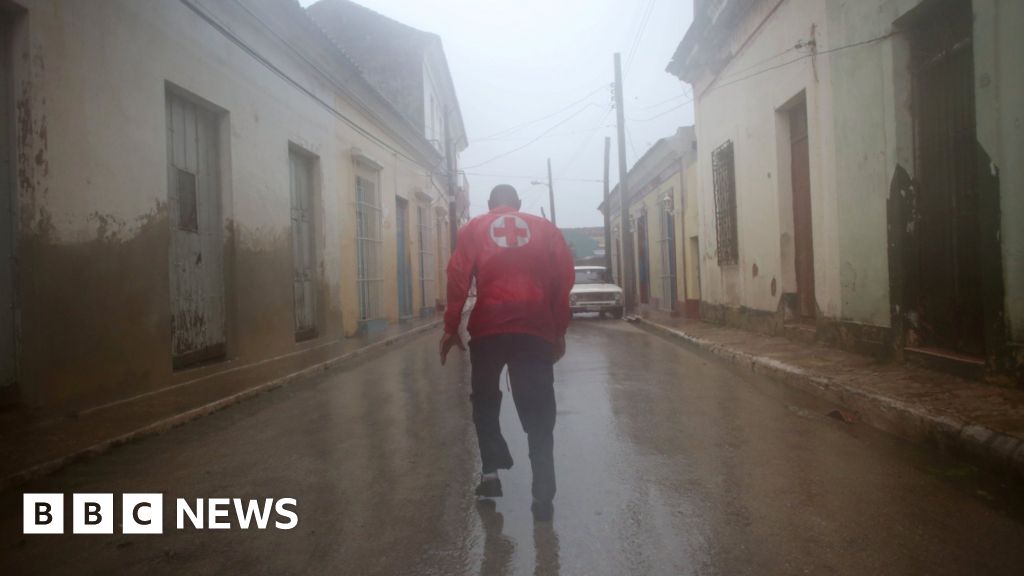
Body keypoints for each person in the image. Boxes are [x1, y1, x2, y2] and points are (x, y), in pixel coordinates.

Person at [439, 184, 575, 522]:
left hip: (489, 328)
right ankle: (543, 492)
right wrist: (558, 330)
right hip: (534, 329)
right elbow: (564, 280)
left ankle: (490, 474)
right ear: (517, 205)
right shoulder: (546, 230)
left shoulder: (473, 228)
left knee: (485, 399)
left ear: (489, 205)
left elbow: (457, 278)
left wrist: (450, 326)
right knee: (539, 411)